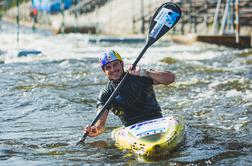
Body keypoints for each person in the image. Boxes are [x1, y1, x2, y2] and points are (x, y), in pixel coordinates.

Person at [84, 50, 175, 137]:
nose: (113, 69)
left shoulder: (139, 75)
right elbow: (100, 125)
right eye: (108, 67)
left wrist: (144, 73)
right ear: (104, 71)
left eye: (115, 64)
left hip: (157, 121)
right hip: (132, 129)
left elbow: (170, 78)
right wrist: (95, 130)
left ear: (122, 64)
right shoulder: (106, 93)